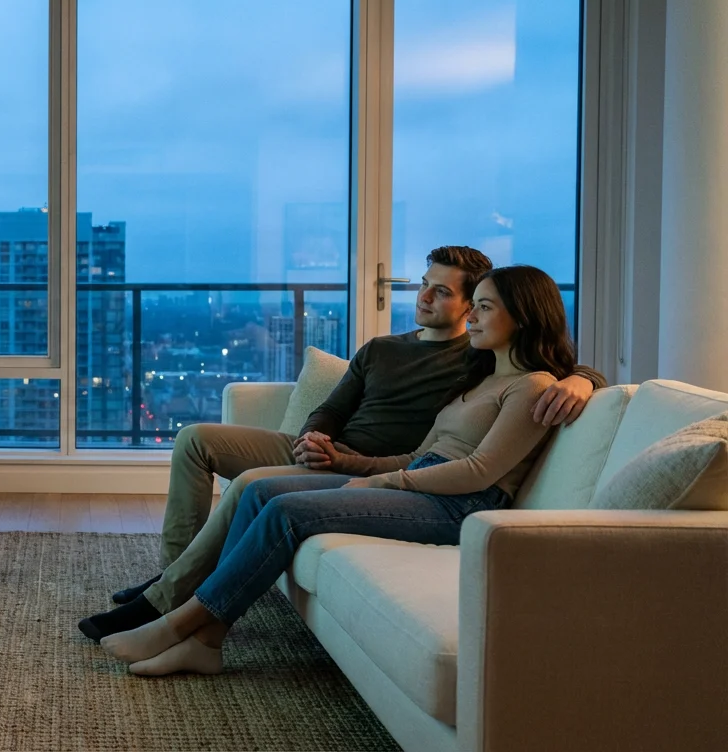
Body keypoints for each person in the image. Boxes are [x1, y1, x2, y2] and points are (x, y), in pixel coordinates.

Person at [79, 248, 605, 642]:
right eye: (424, 285)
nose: (424, 296)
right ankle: (172, 582)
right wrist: (315, 437)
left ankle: (174, 604)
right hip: (327, 453)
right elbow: (334, 403)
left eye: (443, 291)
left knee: (254, 488)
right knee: (196, 439)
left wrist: (584, 378)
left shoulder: (473, 360)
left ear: (472, 307)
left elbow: (545, 373)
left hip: (384, 471)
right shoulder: (388, 349)